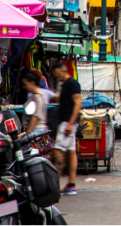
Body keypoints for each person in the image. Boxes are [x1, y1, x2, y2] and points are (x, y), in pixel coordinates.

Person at [51, 61, 82, 196]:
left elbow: (78, 104)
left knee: (58, 151)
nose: (56, 76)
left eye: (57, 74)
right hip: (68, 121)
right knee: (71, 152)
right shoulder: (65, 85)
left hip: (68, 122)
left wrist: (70, 123)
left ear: (63, 71)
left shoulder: (72, 84)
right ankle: (71, 185)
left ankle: (54, 184)